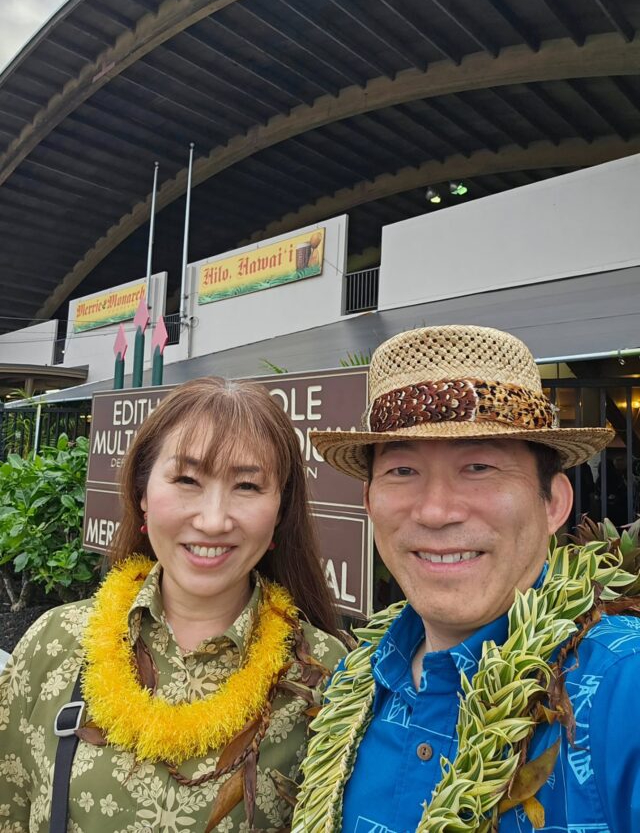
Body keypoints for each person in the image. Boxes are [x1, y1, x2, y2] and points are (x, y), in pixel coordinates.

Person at [292, 325, 640, 833]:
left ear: (555, 503)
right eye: (402, 471)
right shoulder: (349, 686)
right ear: (369, 504)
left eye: (478, 465)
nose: (434, 511)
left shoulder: (621, 689)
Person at [0, 377, 347, 832]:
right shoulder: (56, 641)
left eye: (247, 486)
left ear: (280, 509)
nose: (213, 519)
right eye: (187, 479)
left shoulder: (326, 677)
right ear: (142, 492)